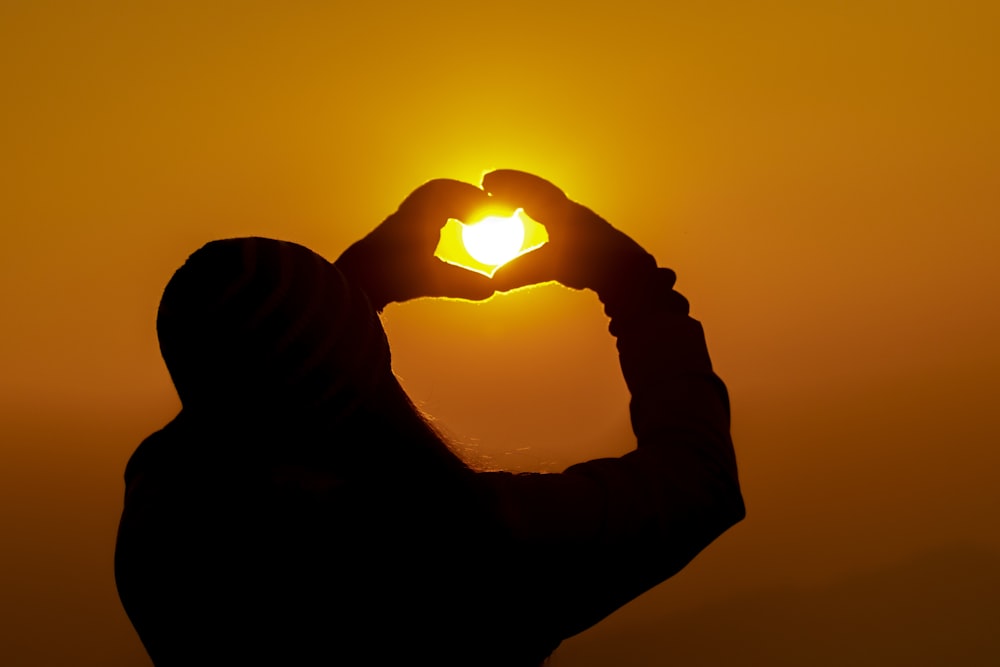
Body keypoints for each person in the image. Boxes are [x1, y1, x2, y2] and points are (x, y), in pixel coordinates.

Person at [114, 170, 745, 666]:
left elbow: (242, 398)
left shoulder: (166, 540)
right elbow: (699, 481)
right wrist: (634, 286)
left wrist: (349, 290)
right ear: (370, 367)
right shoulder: (479, 555)